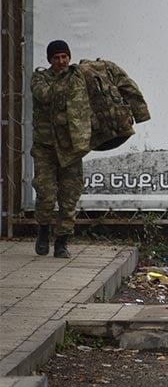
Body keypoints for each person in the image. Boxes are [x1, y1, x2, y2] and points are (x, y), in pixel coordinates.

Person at [31, 40, 91, 258]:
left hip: (70, 148)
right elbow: (46, 95)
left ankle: (62, 242)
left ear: (69, 57)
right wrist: (70, 80)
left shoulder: (77, 78)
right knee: (46, 195)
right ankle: (43, 231)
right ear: (50, 60)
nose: (61, 61)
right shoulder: (40, 78)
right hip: (45, 148)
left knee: (69, 197)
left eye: (64, 56)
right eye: (56, 58)